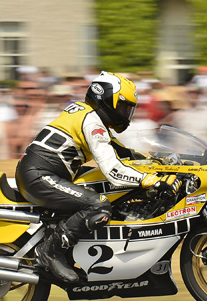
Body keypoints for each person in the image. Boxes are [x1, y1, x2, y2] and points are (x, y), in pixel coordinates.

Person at [14, 71, 177, 284]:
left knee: (101, 189)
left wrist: (156, 163)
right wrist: (150, 181)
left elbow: (125, 153)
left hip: (48, 171)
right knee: (98, 205)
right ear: (107, 99)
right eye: (123, 107)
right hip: (39, 175)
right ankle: (50, 252)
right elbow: (114, 170)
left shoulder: (89, 115)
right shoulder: (92, 122)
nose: (125, 113)